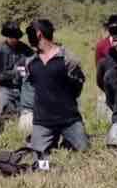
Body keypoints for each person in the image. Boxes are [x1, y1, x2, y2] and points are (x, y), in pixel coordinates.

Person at [25, 18, 89, 155]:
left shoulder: (68, 58)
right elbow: (32, 86)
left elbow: (78, 85)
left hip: (69, 119)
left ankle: (66, 139)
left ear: (38, 34)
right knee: (38, 155)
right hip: (42, 121)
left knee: (84, 151)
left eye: (30, 33)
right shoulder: (31, 62)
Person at [0, 21, 32, 119]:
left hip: (22, 87)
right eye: (11, 37)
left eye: (16, 37)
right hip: (6, 87)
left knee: (24, 115)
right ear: (7, 36)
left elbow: (33, 61)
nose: (14, 39)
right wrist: (13, 73)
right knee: (0, 116)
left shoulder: (25, 48)